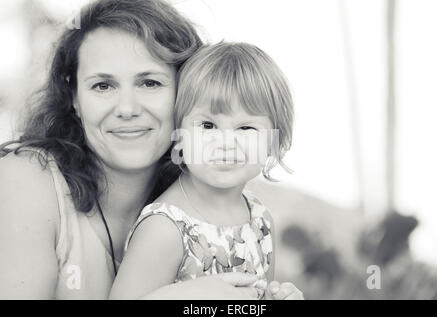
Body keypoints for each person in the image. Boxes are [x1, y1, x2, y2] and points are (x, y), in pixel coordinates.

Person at [0, 0, 264, 299]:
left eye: (149, 83)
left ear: (189, 93)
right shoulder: (25, 181)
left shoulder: (209, 208)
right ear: (74, 98)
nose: (127, 109)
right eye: (103, 86)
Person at [109, 42, 304, 300]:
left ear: (274, 143)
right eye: (208, 125)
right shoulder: (165, 229)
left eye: (246, 128)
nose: (225, 143)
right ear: (178, 135)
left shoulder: (259, 219)